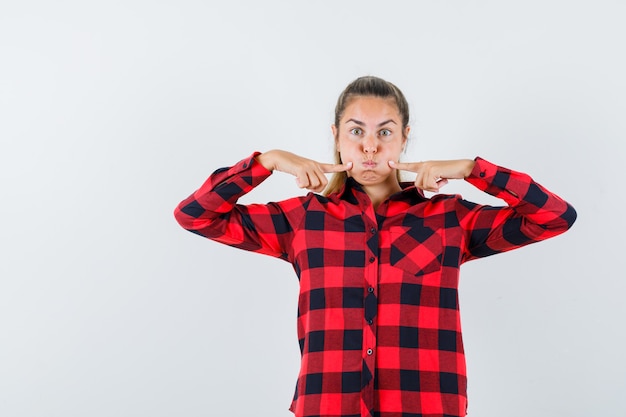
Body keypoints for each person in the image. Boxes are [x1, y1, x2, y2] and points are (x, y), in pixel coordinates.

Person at [174, 76, 576, 417]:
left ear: (404, 138)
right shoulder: (302, 219)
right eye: (356, 131)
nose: (370, 147)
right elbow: (195, 215)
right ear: (336, 136)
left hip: (427, 405)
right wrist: (267, 161)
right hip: (327, 405)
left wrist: (473, 170)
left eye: (384, 132)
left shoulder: (449, 218)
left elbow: (555, 217)